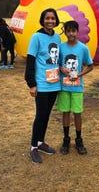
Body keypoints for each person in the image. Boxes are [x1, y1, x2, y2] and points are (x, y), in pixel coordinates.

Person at [24, 8, 61, 163]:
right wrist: (32, 84)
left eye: (53, 18)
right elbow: (30, 62)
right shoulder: (36, 37)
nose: (50, 21)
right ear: (42, 20)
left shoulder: (58, 37)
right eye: (47, 18)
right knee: (40, 115)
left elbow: (57, 59)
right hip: (42, 84)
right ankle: (33, 147)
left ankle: (40, 142)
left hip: (55, 84)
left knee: (46, 115)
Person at [57, 21, 93, 155]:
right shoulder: (61, 47)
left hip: (77, 87)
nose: (71, 34)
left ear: (78, 32)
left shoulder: (83, 48)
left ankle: (79, 139)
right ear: (65, 32)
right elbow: (58, 64)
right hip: (64, 87)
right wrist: (62, 68)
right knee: (65, 112)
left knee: (77, 113)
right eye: (68, 31)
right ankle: (66, 139)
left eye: (73, 31)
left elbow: (90, 66)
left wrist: (78, 74)